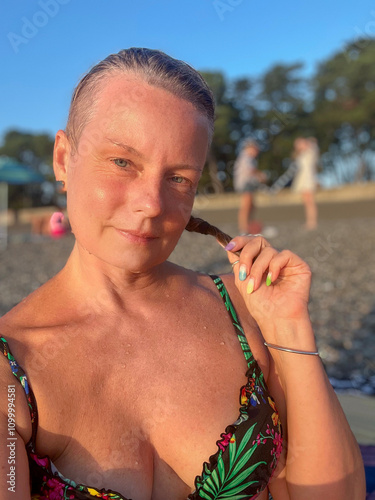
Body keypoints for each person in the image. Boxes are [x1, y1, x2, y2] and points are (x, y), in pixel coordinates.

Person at [0, 48, 365, 500]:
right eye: (122, 162)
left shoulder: (247, 311)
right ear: (62, 159)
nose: (151, 204)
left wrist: (290, 328)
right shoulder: (12, 370)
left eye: (178, 179)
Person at [233, 139, 267, 234]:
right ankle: (244, 228)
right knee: (246, 206)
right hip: (245, 184)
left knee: (251, 206)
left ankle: (249, 226)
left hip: (248, 184)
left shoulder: (248, 158)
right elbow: (251, 170)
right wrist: (261, 175)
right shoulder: (246, 156)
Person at [292, 137, 319, 230]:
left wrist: (308, 142)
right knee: (306, 201)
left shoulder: (310, 152)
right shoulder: (300, 155)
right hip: (302, 179)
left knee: (310, 201)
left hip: (308, 178)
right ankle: (309, 221)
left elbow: (314, 145)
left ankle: (312, 221)